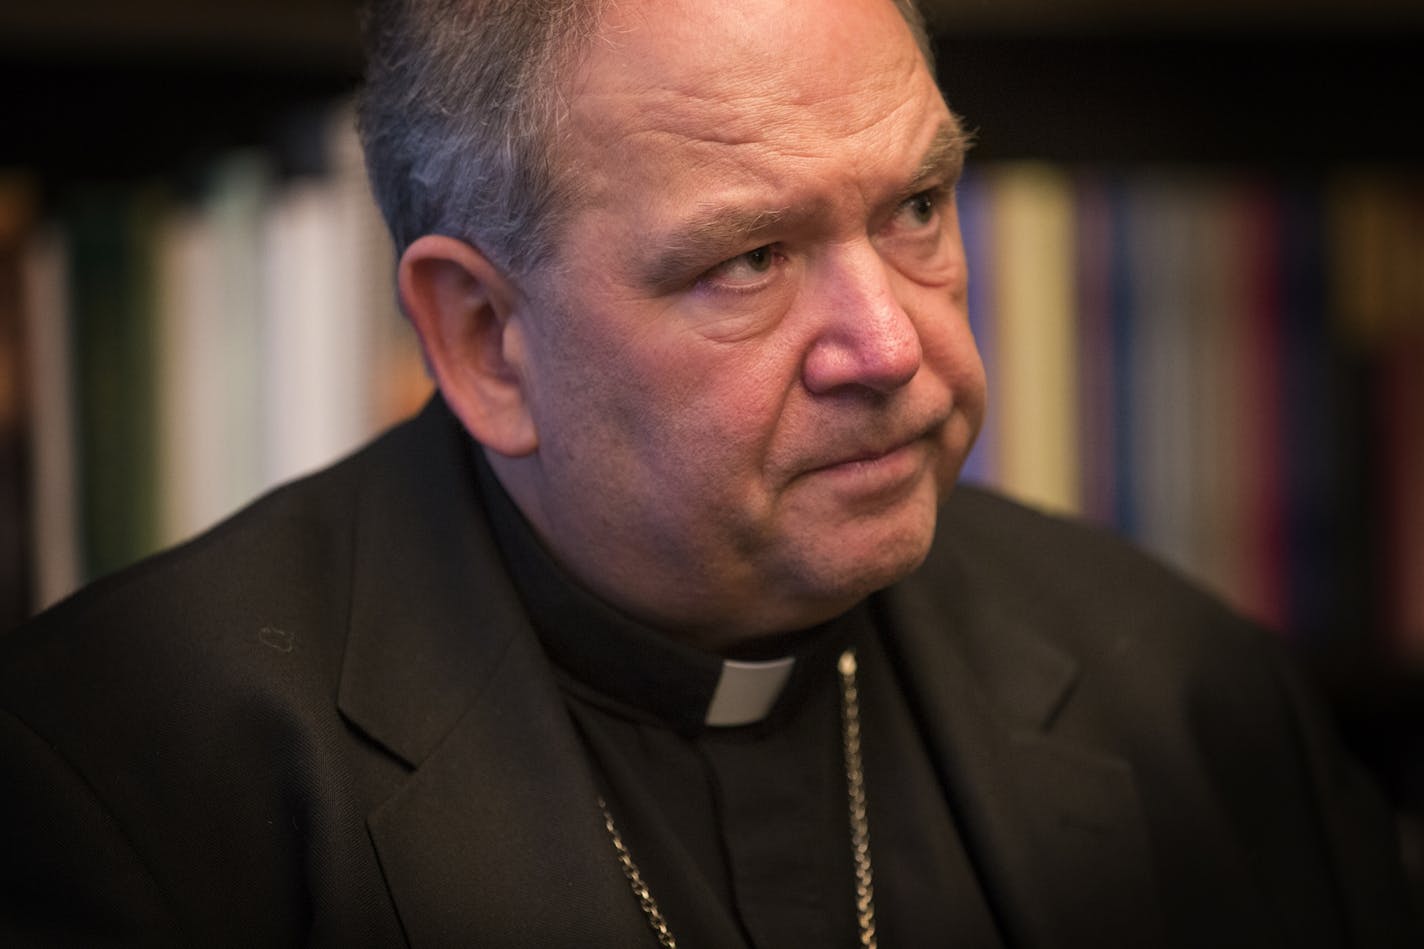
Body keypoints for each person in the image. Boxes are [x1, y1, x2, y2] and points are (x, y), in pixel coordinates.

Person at [1, 0, 1418, 945]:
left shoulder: (1188, 693)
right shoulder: (124, 790)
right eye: (752, 258)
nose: (888, 343)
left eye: (917, 207)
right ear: (487, 340)